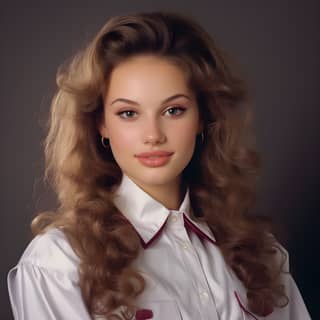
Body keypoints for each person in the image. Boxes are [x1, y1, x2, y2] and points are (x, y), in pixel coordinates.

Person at [7, 10, 311, 320]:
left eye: (173, 110)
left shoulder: (260, 254)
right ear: (101, 124)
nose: (153, 135)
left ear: (202, 117)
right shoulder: (59, 263)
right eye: (128, 113)